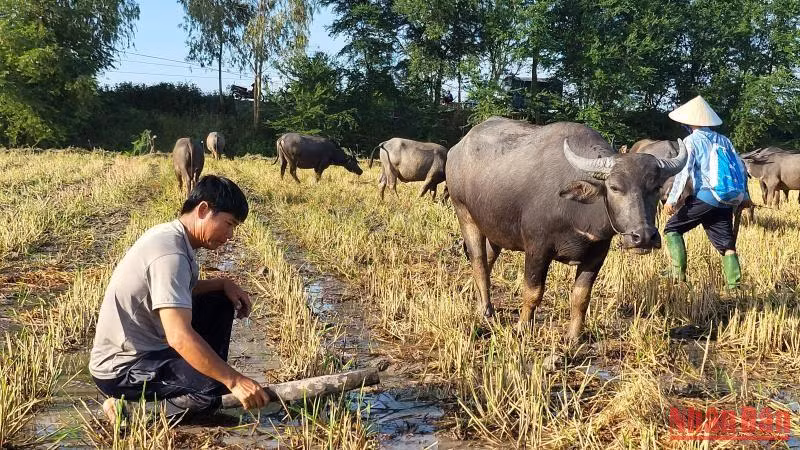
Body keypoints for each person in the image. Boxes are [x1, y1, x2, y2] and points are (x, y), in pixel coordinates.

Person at [89, 174, 269, 424]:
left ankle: (198, 374)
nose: (230, 235)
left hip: (147, 349)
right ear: (204, 210)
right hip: (123, 368)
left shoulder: (173, 237)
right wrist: (234, 380)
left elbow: (181, 290)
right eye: (229, 224)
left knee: (219, 301)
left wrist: (223, 284)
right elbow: (179, 336)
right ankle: (131, 410)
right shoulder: (169, 253)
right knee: (210, 389)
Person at [663, 95, 752, 289]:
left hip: (706, 196)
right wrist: (745, 196)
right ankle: (734, 285)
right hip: (727, 199)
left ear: (690, 122)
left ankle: (677, 274)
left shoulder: (691, 141)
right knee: (726, 245)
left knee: (672, 228)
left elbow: (683, 172)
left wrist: (671, 199)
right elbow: (740, 168)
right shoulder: (725, 140)